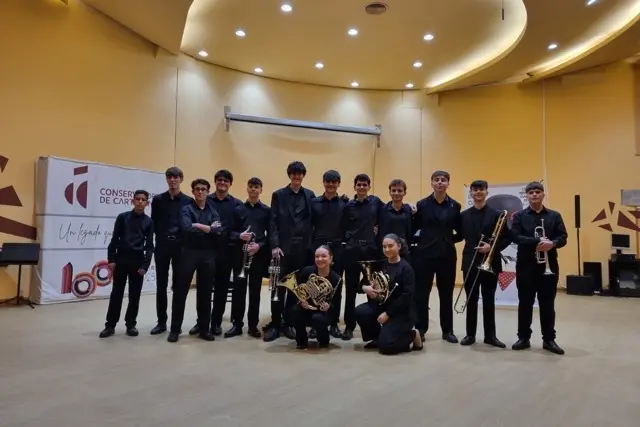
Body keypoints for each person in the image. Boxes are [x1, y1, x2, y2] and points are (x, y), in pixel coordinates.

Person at [511, 181, 567, 355]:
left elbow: (563, 237)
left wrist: (553, 243)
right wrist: (537, 241)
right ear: (526, 196)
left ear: (543, 194)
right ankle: (523, 338)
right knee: (525, 303)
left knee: (548, 303)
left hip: (548, 266)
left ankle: (549, 339)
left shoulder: (554, 216)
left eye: (537, 192)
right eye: (531, 192)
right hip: (526, 265)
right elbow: (515, 237)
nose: (534, 194)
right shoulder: (519, 216)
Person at [264, 161, 316, 342]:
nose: (296, 176)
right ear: (289, 175)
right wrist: (274, 245)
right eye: (293, 173)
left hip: (302, 249)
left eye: (299, 173)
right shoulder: (278, 195)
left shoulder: (310, 195)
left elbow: (315, 218)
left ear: (303, 175)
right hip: (282, 250)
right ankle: (275, 323)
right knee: (278, 288)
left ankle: (289, 323)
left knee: (296, 289)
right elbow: (273, 221)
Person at [458, 180, 511, 348]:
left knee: (489, 300)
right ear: (471, 193)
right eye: (475, 190)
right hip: (470, 261)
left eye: (481, 189)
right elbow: (459, 236)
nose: (478, 192)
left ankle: (490, 336)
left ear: (486, 192)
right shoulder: (463, 215)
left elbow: (507, 237)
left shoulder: (497, 215)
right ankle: (470, 334)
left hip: (491, 261)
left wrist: (492, 247)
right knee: (471, 299)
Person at [168, 179, 222, 343]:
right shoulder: (186, 209)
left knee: (205, 293)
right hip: (188, 253)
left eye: (203, 189)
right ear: (192, 191)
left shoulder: (212, 210)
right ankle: (175, 330)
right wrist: (209, 229)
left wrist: (199, 225)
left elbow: (218, 230)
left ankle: (204, 329)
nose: (200, 192)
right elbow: (186, 229)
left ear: (207, 192)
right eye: (197, 189)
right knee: (180, 292)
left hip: (208, 254)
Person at [412, 170, 462, 343]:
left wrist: (447, 240)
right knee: (421, 294)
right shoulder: (421, 205)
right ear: (432, 183)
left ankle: (447, 331)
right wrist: (422, 242)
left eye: (443, 180)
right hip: (424, 256)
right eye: (437, 180)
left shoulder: (455, 206)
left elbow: (461, 232)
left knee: (446, 294)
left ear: (448, 183)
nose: (440, 182)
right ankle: (421, 329)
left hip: (447, 257)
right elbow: (413, 229)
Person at [355, 233, 423, 354]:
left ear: (399, 246)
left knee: (387, 347)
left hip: (401, 312)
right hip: (383, 306)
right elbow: (360, 285)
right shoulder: (381, 265)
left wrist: (388, 314)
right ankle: (376, 338)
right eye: (384, 246)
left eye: (390, 246)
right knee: (360, 311)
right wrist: (367, 288)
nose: (387, 249)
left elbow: (406, 297)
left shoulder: (406, 269)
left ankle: (413, 335)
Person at [99, 190, 154, 338]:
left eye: (143, 200)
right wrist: (111, 259)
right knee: (116, 294)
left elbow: (149, 245)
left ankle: (131, 325)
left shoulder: (149, 221)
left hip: (137, 261)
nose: (140, 202)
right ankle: (110, 325)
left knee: (134, 295)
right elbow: (114, 239)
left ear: (147, 203)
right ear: (132, 201)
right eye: (138, 199)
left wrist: (145, 265)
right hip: (121, 259)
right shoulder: (122, 217)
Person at [197, 169, 242, 337]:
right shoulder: (205, 200)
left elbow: (238, 229)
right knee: (203, 289)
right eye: (220, 180)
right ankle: (201, 322)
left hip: (226, 252)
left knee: (221, 290)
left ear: (230, 184)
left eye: (226, 181)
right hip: (206, 250)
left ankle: (216, 323)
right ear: (215, 182)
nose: (222, 183)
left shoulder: (237, 204)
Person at [224, 177, 271, 339]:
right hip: (240, 255)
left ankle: (252, 325)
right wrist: (240, 236)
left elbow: (270, 234)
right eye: (251, 186)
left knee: (255, 292)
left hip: (258, 255)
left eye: (256, 187)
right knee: (238, 291)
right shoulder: (237, 209)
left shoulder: (267, 210)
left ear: (261, 190)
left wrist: (259, 245)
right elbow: (229, 232)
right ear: (247, 188)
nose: (253, 189)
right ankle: (237, 325)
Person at [149, 167, 192, 335]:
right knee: (161, 285)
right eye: (169, 177)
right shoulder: (158, 200)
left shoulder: (188, 201)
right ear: (167, 179)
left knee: (178, 286)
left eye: (176, 177)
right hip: (162, 246)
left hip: (181, 247)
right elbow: (154, 222)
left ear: (181, 179)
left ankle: (176, 324)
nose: (173, 180)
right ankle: (161, 322)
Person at [340, 173, 383, 341]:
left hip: (371, 253)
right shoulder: (348, 205)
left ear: (369, 187)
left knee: (372, 290)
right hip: (352, 252)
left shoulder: (376, 202)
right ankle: (349, 326)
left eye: (365, 184)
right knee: (350, 290)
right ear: (355, 187)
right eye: (359, 184)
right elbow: (342, 225)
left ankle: (372, 326)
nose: (362, 187)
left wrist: (410, 207)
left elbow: (390, 210)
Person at [309, 170, 347, 338]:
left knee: (336, 287)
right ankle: (315, 323)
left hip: (338, 248)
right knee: (316, 287)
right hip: (318, 249)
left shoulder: (345, 203)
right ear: (323, 183)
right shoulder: (314, 203)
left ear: (338, 184)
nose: (331, 185)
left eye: (334, 182)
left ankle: (333, 323)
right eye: (328, 181)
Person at [289, 245, 342, 349]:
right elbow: (299, 290)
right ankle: (301, 340)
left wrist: (329, 306)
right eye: (317, 256)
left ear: (331, 258)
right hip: (307, 308)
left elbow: (336, 303)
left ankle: (324, 340)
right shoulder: (307, 271)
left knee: (318, 318)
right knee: (295, 311)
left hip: (324, 312)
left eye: (324, 256)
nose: (320, 259)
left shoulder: (336, 279)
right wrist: (301, 301)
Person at [377, 179, 415, 260]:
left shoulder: (409, 210)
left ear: (405, 193)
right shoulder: (382, 210)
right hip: (387, 253)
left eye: (400, 191)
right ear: (389, 192)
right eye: (393, 190)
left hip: (404, 253)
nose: (396, 193)